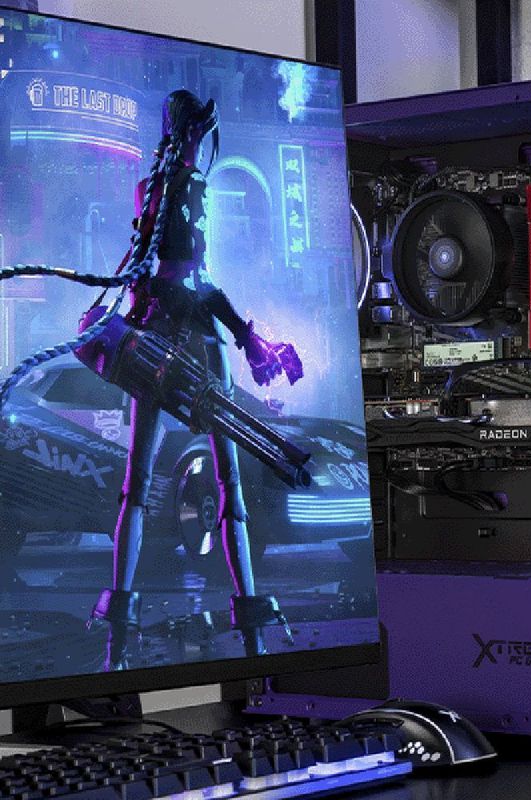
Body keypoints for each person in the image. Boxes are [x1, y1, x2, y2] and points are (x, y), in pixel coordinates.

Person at [88, 89, 302, 670]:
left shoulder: (150, 187)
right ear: (191, 132)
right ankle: (247, 625)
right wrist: (245, 333)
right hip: (188, 334)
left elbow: (159, 270)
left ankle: (120, 632)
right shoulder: (187, 185)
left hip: (156, 328)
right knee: (224, 482)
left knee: (139, 484)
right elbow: (194, 276)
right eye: (200, 131)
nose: (204, 140)